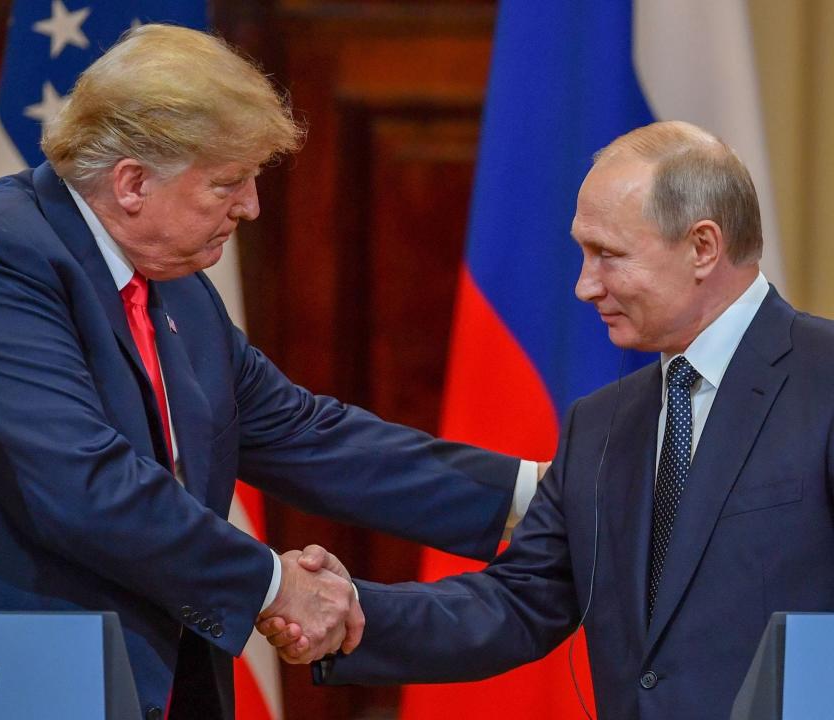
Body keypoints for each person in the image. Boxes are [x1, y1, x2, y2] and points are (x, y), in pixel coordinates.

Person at [0, 24, 545, 720]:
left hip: (142, 683)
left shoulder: (178, 289)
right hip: (0, 685)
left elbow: (307, 435)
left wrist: (534, 495)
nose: (251, 206)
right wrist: (274, 585)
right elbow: (84, 485)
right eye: (228, 182)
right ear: (131, 182)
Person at [290, 120, 834, 719]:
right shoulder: (604, 424)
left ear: (703, 247)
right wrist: (349, 610)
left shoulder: (823, 380)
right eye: (583, 252)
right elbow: (518, 602)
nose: (583, 285)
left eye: (609, 255)